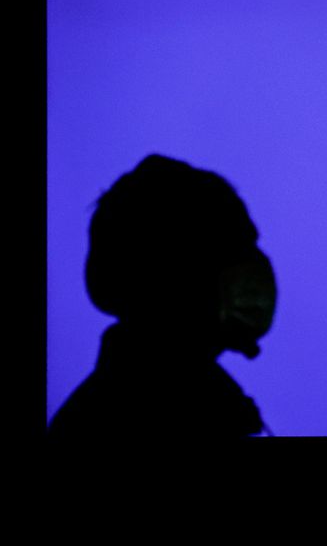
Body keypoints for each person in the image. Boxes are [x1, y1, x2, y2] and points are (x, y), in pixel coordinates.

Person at [49, 154, 276, 438]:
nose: (252, 275)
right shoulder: (139, 416)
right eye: (230, 253)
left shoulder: (212, 404)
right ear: (171, 275)